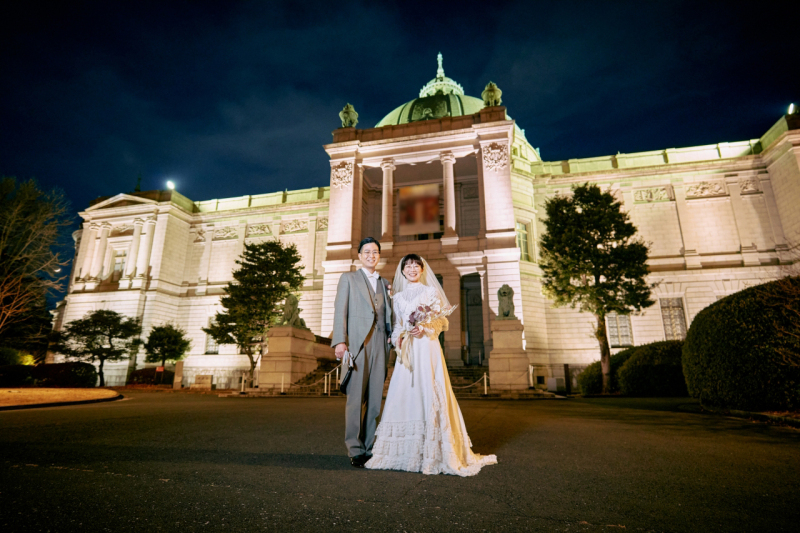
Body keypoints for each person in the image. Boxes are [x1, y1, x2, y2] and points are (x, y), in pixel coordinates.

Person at [365, 254, 497, 476]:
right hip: (408, 350)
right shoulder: (396, 298)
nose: (412, 269)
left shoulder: (431, 292)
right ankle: (402, 452)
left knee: (429, 389)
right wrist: (400, 336)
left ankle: (434, 451)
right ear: (402, 270)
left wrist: (424, 328)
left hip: (427, 348)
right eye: (408, 266)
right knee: (405, 393)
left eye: (416, 265)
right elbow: (396, 325)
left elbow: (441, 321)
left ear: (422, 269)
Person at [331, 237, 393, 468]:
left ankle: (369, 447)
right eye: (366, 251)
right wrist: (340, 341)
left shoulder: (385, 283)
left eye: (375, 252)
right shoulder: (348, 278)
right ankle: (355, 449)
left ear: (379, 255)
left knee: (375, 399)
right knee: (355, 400)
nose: (371, 255)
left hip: (380, 343)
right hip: (357, 344)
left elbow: (388, 314)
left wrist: (391, 335)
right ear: (359, 255)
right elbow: (341, 311)